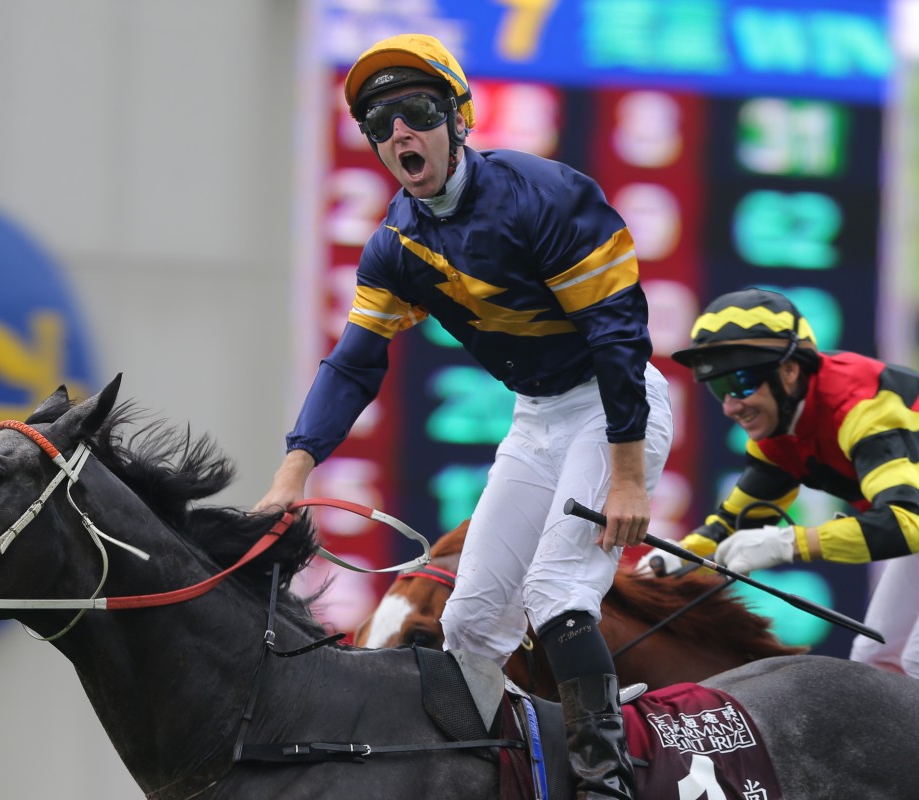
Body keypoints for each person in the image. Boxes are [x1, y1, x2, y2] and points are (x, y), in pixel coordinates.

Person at [255, 33, 672, 800]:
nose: (399, 135)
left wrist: (626, 476)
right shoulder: (394, 247)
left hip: (615, 409)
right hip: (538, 417)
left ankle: (607, 781)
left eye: (416, 111)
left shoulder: (545, 195)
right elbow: (353, 363)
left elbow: (618, 338)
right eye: (380, 125)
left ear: (459, 116)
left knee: (554, 594)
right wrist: (292, 473)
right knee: (471, 625)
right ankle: (488, 778)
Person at [636, 287, 919, 695]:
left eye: (741, 382)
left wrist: (788, 544)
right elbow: (732, 524)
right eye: (718, 386)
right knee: (878, 659)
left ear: (790, 371)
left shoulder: (864, 407)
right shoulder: (776, 432)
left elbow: (905, 525)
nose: (730, 405)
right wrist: (677, 559)